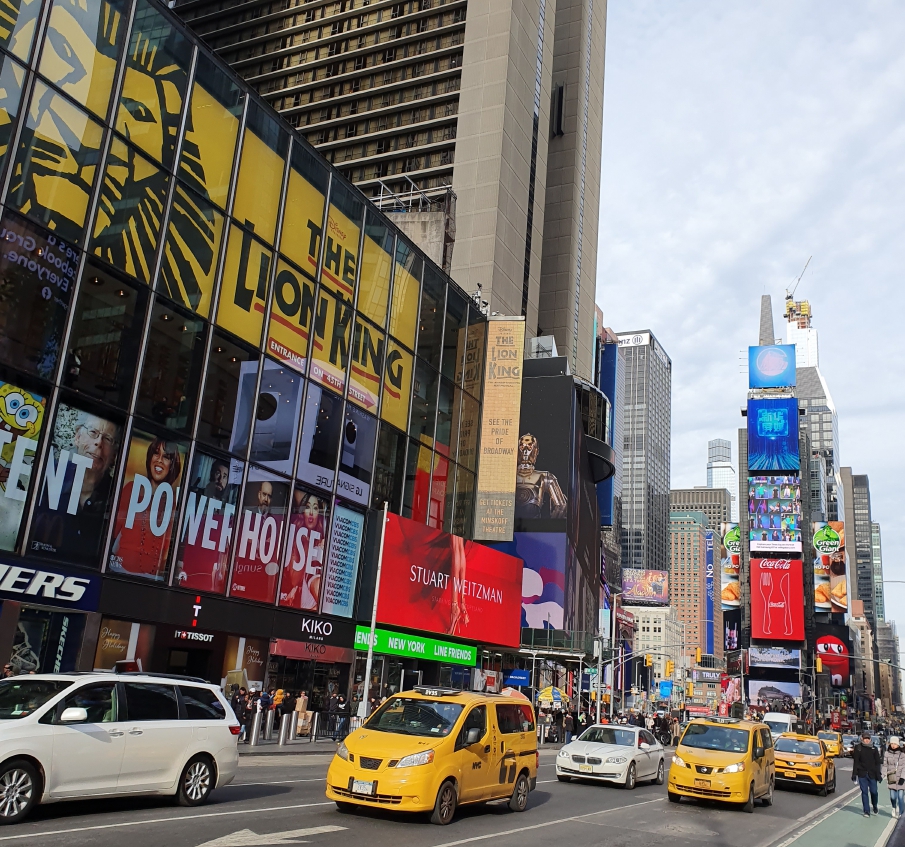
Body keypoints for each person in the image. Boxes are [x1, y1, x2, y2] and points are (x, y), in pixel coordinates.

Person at [853, 731, 883, 816]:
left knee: (874, 792)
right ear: (862, 739)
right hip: (862, 773)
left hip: (872, 774)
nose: (866, 740)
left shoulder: (874, 749)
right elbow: (856, 762)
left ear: (870, 739)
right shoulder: (858, 748)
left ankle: (874, 805)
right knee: (864, 792)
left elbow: (877, 763)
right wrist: (854, 774)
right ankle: (866, 811)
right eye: (865, 738)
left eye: (868, 739)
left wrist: (878, 775)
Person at [885, 736, 905, 819]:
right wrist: (882, 775)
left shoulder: (902, 754)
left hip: (901, 778)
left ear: (898, 745)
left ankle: (901, 813)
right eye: (892, 743)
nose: (893, 745)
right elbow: (885, 765)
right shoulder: (887, 753)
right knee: (893, 797)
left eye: (895, 744)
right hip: (892, 777)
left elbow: (904, 766)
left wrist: (903, 777)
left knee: (900, 796)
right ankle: (894, 807)